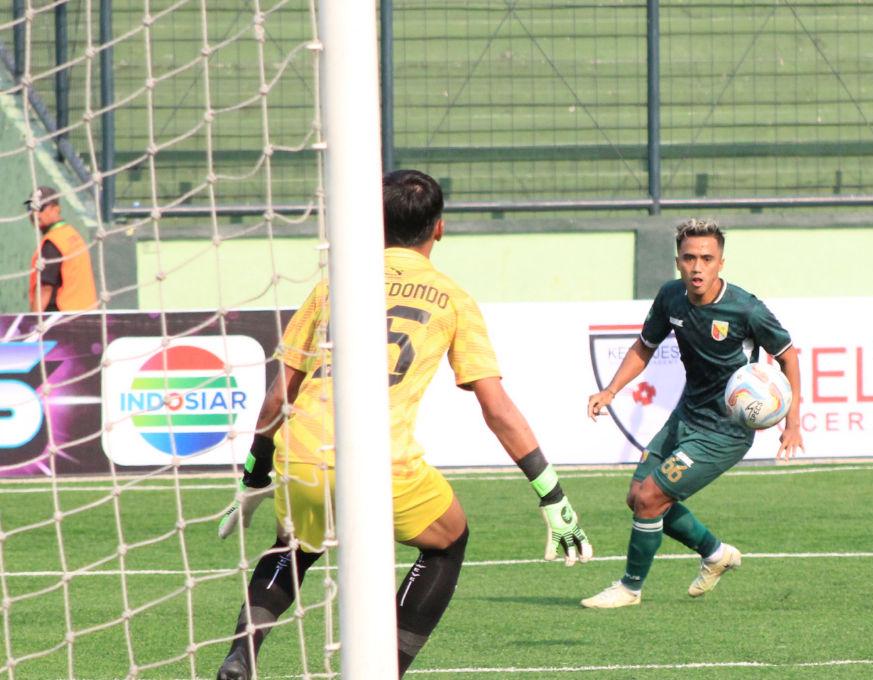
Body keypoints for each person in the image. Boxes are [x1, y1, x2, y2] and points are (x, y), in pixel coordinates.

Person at [214, 170, 593, 679]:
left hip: (302, 449)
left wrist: (254, 476)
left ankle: (243, 653)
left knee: (294, 543)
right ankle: (386, 670)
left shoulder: (332, 287)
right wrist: (553, 497)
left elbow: (279, 397)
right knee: (449, 539)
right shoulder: (453, 298)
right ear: (439, 228)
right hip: (379, 458)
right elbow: (496, 408)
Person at [580, 219, 803, 609]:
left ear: (721, 263)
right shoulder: (671, 298)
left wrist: (792, 422)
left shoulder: (745, 308)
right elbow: (644, 346)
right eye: (689, 259)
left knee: (651, 498)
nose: (697, 267)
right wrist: (611, 390)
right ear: (677, 262)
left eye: (706, 258)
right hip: (687, 415)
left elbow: (788, 356)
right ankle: (715, 555)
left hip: (725, 431)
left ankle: (630, 588)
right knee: (637, 497)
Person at [26, 186, 97, 312]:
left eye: (40, 208)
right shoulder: (73, 235)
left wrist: (33, 324)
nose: (35, 214)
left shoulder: (53, 243)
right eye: (31, 208)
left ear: (56, 209)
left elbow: (44, 289)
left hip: (61, 319)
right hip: (85, 314)